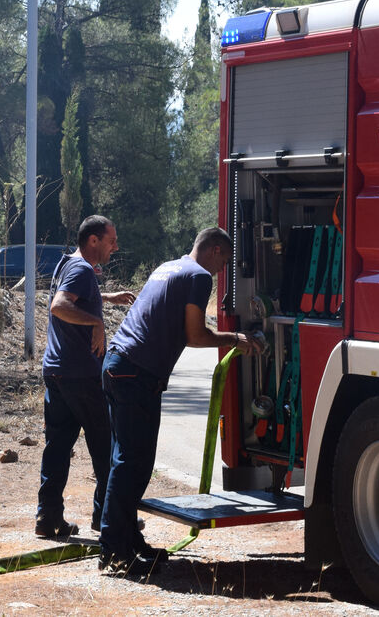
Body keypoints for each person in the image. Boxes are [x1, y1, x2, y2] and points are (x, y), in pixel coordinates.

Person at [98, 227, 263, 575]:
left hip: (119, 365)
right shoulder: (199, 276)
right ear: (215, 250)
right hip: (134, 373)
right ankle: (113, 550)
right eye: (224, 263)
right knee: (131, 463)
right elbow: (195, 334)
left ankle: (128, 542)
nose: (221, 272)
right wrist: (237, 339)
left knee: (129, 461)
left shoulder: (167, 266)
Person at [36, 215, 135, 539]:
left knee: (58, 448)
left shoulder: (69, 264)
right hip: (80, 375)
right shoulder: (81, 269)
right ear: (93, 240)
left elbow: (73, 296)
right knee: (107, 448)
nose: (115, 247)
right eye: (111, 241)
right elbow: (60, 305)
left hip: (57, 373)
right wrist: (97, 323)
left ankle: (48, 519)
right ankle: (107, 520)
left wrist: (107, 298)